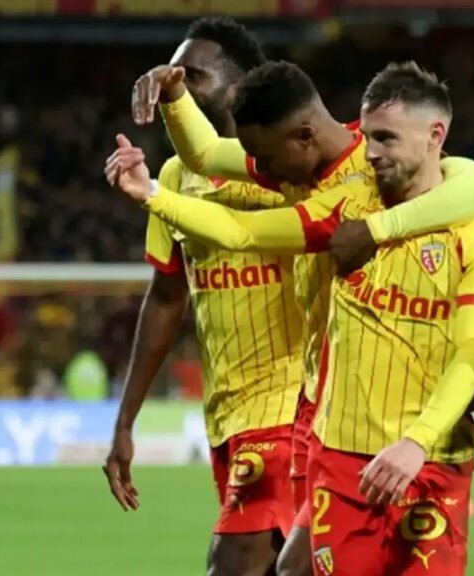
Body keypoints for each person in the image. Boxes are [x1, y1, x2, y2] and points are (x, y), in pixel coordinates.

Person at [108, 61, 474, 576]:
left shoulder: (453, 217)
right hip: (329, 415)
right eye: (371, 138)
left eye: (385, 139)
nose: (263, 173)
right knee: (293, 566)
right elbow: (228, 204)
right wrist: (166, 135)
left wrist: (379, 229)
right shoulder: (338, 201)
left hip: (419, 435)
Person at [102, 18, 295, 576]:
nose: (174, 82)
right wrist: (125, 421)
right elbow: (167, 298)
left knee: (232, 564)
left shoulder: (288, 167)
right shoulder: (171, 177)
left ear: (241, 86)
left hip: (291, 411)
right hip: (227, 417)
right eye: (172, 70)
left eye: (194, 75)